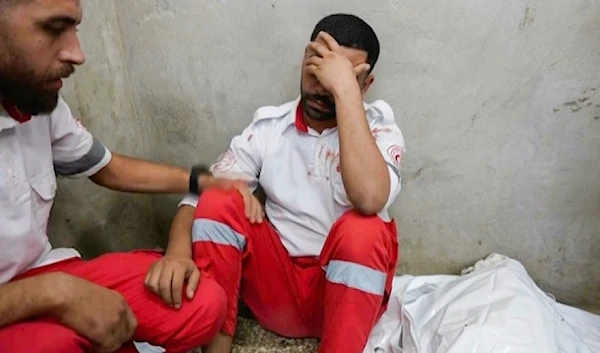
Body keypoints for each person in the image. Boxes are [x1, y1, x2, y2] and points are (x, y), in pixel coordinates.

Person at [146, 13, 407, 353]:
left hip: (342, 302)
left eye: (340, 76)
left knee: (365, 229)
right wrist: (177, 253)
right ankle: (216, 346)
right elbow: (199, 197)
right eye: (318, 68)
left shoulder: (380, 129)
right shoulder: (270, 126)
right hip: (276, 294)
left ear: (365, 85)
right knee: (220, 199)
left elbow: (370, 198)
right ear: (304, 59)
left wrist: (345, 93)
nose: (323, 87)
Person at [0, 0, 246, 352]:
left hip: (42, 271)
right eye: (54, 29)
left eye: (76, 30)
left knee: (201, 304)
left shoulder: (33, 100)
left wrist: (199, 181)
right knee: (61, 343)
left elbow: (107, 168)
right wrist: (54, 293)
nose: (77, 54)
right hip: (28, 292)